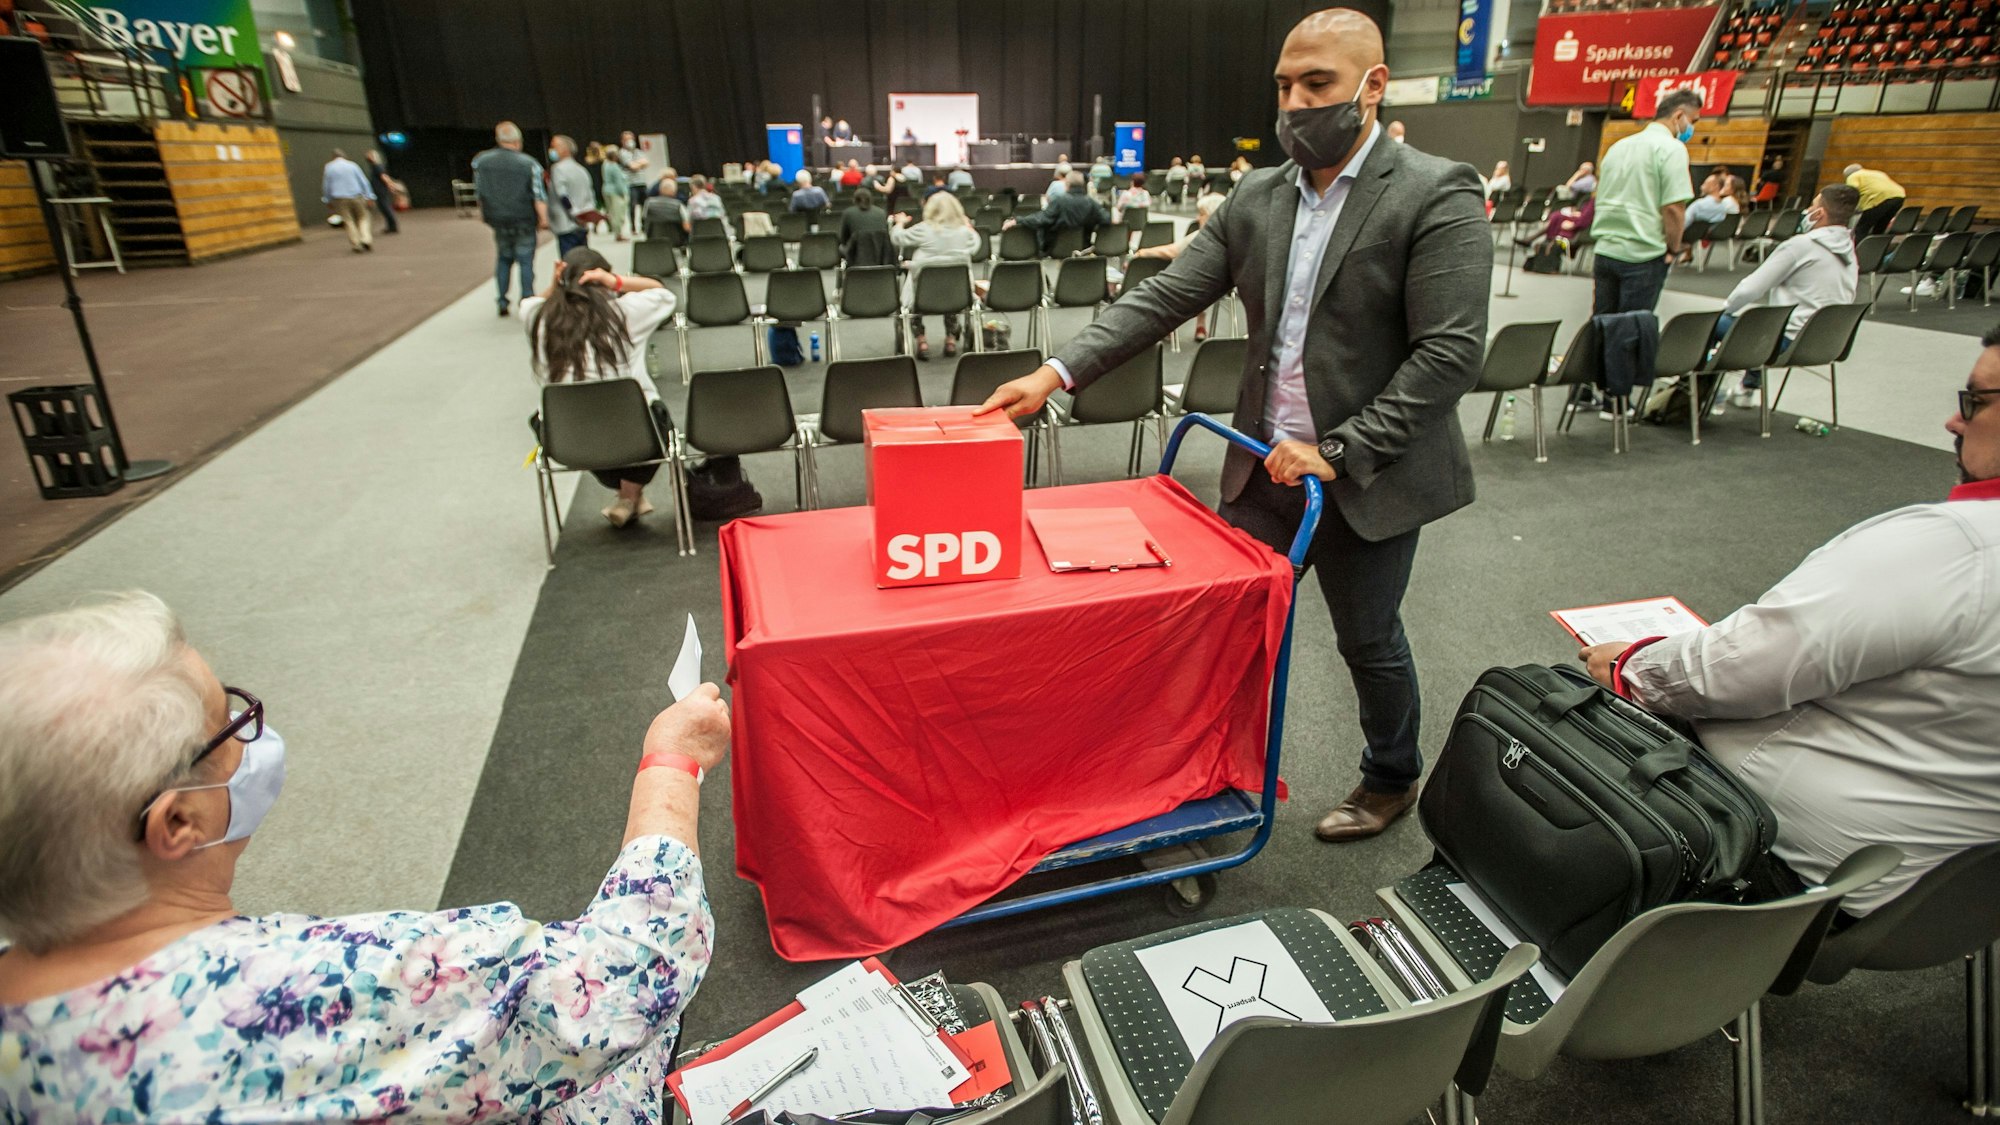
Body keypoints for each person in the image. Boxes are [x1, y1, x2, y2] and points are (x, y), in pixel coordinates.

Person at [980, 7, 1490, 843]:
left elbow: (1448, 356)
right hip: (1263, 464)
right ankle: (1203, 770)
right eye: (1285, 85)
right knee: (1223, 631)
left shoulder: (1438, 193)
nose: (1294, 102)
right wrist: (1054, 372)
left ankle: (1392, 774)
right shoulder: (1259, 195)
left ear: (1374, 86)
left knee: (1368, 639)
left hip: (1367, 472)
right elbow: (1164, 296)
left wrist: (1339, 450)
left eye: (1316, 83)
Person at [0, 591, 729, 1120]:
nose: (247, 730)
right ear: (179, 822)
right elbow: (631, 968)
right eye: (226, 721)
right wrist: (673, 761)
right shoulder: (322, 988)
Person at [1581, 325, 2000, 916]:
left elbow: (1740, 669)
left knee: (1573, 707)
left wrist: (1631, 665)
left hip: (1820, 872)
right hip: (1964, 889)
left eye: (1976, 402)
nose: (1954, 422)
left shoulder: (1954, 550)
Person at [523, 248, 679, 526]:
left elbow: (531, 302)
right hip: (635, 435)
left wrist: (555, 284)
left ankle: (627, 498)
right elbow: (662, 292)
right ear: (603, 278)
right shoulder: (626, 312)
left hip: (567, 438)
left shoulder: (539, 316)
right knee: (649, 415)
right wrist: (615, 281)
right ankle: (630, 495)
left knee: (599, 423)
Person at [1716, 184, 1860, 408]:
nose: (1806, 211)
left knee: (1718, 322)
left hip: (1787, 343)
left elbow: (1750, 289)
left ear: (1819, 213)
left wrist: (1727, 308)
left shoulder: (1800, 246)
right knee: (1765, 325)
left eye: (1811, 205)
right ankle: (1747, 388)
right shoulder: (1849, 248)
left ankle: (1700, 391)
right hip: (1830, 343)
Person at [1589, 87, 1701, 316]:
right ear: (1679, 116)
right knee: (1631, 333)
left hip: (1605, 251)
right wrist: (1673, 248)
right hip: (1643, 255)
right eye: (1694, 121)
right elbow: (1673, 208)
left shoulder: (1618, 147)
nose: (1693, 128)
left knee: (1601, 326)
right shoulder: (1672, 149)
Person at [890, 192, 981, 360]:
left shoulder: (924, 229)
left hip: (923, 295)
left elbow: (897, 239)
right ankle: (951, 339)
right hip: (957, 295)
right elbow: (976, 245)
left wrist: (899, 223)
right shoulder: (964, 233)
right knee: (950, 282)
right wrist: (968, 226)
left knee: (915, 287)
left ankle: (922, 340)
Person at [472, 121, 549, 316]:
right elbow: (538, 195)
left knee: (503, 260)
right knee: (525, 261)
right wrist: (543, 218)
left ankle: (502, 300)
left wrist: (485, 215)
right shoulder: (529, 163)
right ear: (517, 141)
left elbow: (480, 193)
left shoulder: (481, 161)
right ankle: (527, 299)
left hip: (497, 219)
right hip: (523, 219)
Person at [1130, 191, 1227, 340]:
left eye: (1201, 214)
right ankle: (1200, 326)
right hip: (1225, 288)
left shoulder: (1203, 236)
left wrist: (1143, 252)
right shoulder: (1234, 236)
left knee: (1166, 284)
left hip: (1199, 289)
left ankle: (1166, 327)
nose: (1197, 218)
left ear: (1212, 215)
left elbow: (1172, 251)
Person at [1003, 170, 1109, 255]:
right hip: (1083, 247)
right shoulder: (1091, 203)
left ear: (1067, 184)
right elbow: (1106, 219)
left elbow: (1041, 219)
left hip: (1057, 248)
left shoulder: (1059, 201)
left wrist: (1018, 220)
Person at [546, 135, 596, 256]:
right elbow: (590, 196)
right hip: (582, 224)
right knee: (583, 260)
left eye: (554, 146)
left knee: (568, 263)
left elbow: (562, 195)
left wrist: (574, 213)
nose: (551, 150)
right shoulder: (582, 170)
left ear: (565, 150)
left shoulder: (557, 169)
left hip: (566, 224)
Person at [321, 149, 376, 253]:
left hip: (340, 199)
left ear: (333, 157)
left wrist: (327, 200)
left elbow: (326, 185)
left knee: (348, 221)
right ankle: (366, 239)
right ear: (344, 156)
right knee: (363, 217)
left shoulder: (329, 167)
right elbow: (363, 181)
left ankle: (356, 244)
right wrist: (370, 196)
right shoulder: (352, 165)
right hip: (357, 196)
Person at [1846, 162, 1907, 239]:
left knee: (1862, 228)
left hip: (1878, 199)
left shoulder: (1852, 176)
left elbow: (1852, 192)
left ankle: (1859, 250)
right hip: (1899, 196)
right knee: (1880, 227)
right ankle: (1878, 248)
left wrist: (1849, 208)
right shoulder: (1878, 173)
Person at [838, 188, 891, 264]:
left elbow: (843, 239)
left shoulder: (848, 213)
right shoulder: (882, 213)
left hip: (856, 257)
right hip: (880, 257)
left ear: (854, 200)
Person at [364, 148, 399, 235]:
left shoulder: (377, 166)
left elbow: (384, 177)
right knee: (384, 208)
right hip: (379, 191)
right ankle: (391, 226)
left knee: (385, 207)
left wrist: (391, 185)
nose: (367, 157)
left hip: (381, 191)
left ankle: (393, 226)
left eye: (369, 155)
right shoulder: (374, 166)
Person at [601, 146, 631, 242]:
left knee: (612, 212)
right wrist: (623, 193)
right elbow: (618, 182)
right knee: (618, 214)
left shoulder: (605, 164)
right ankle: (618, 234)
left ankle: (615, 231)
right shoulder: (614, 167)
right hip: (616, 192)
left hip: (606, 190)